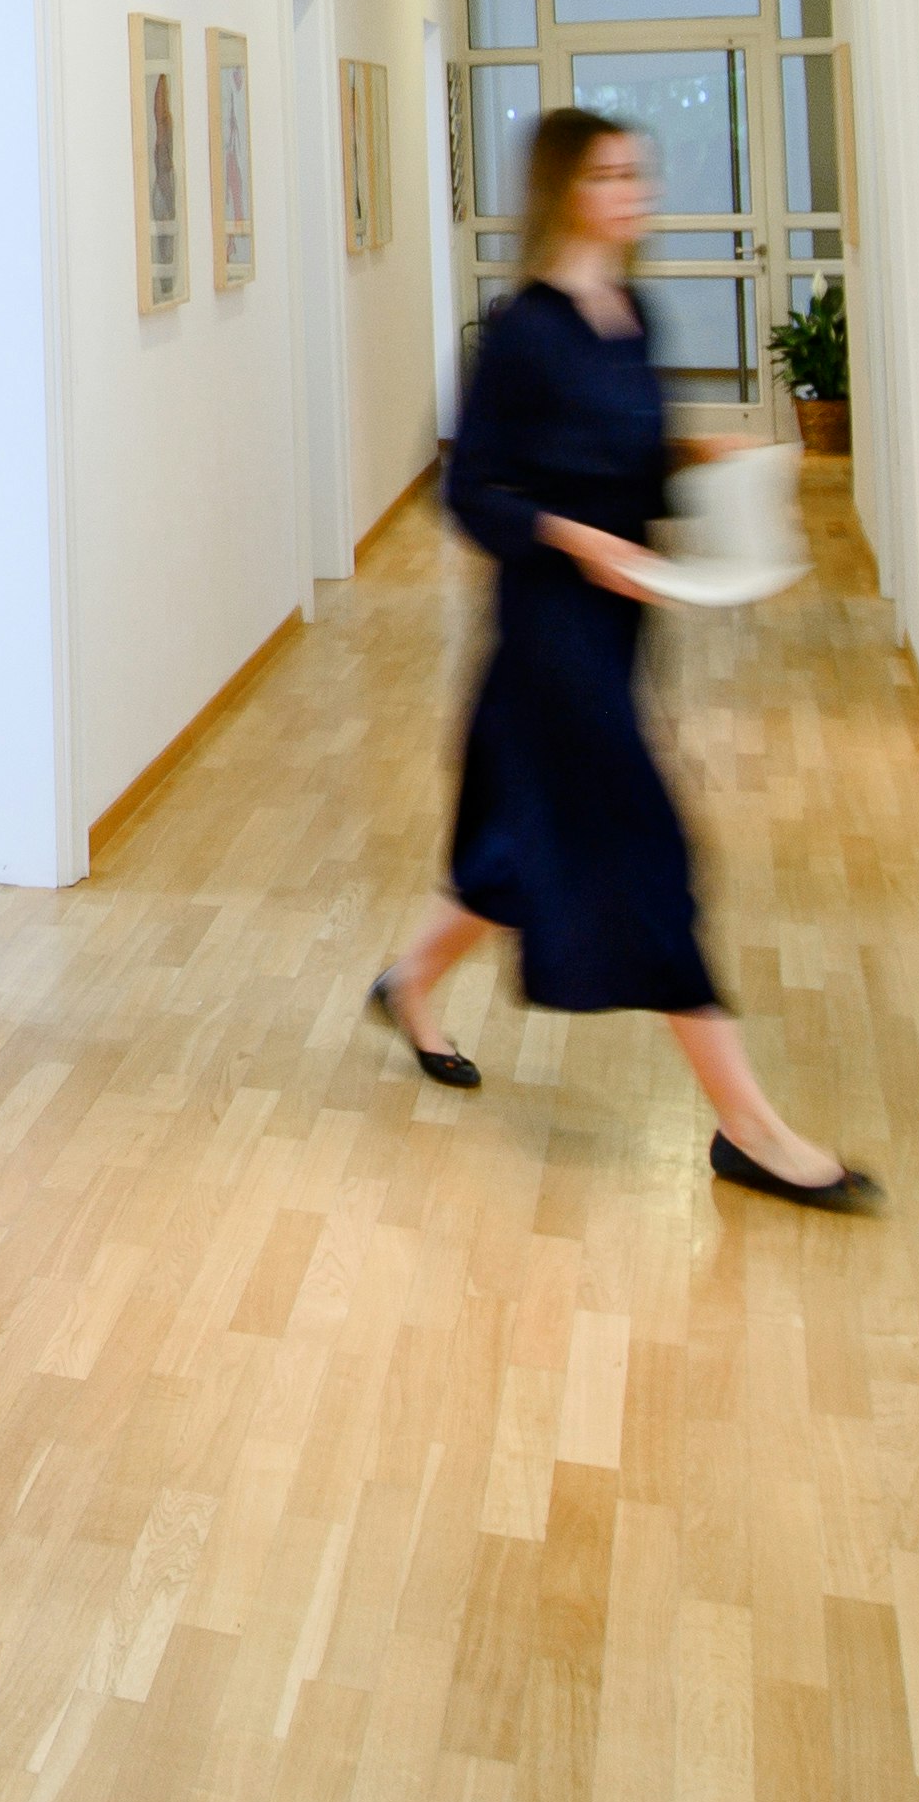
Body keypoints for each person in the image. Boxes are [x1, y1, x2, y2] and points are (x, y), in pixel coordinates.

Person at [369, 108, 878, 1211]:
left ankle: (409, 982)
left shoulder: (627, 316)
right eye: (608, 174)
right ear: (563, 190)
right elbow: (471, 492)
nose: (632, 188)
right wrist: (570, 536)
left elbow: (627, 457)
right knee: (650, 863)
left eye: (636, 171)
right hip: (552, 640)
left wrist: (697, 451)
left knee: (513, 850)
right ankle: (751, 1128)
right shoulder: (520, 332)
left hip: (614, 631)